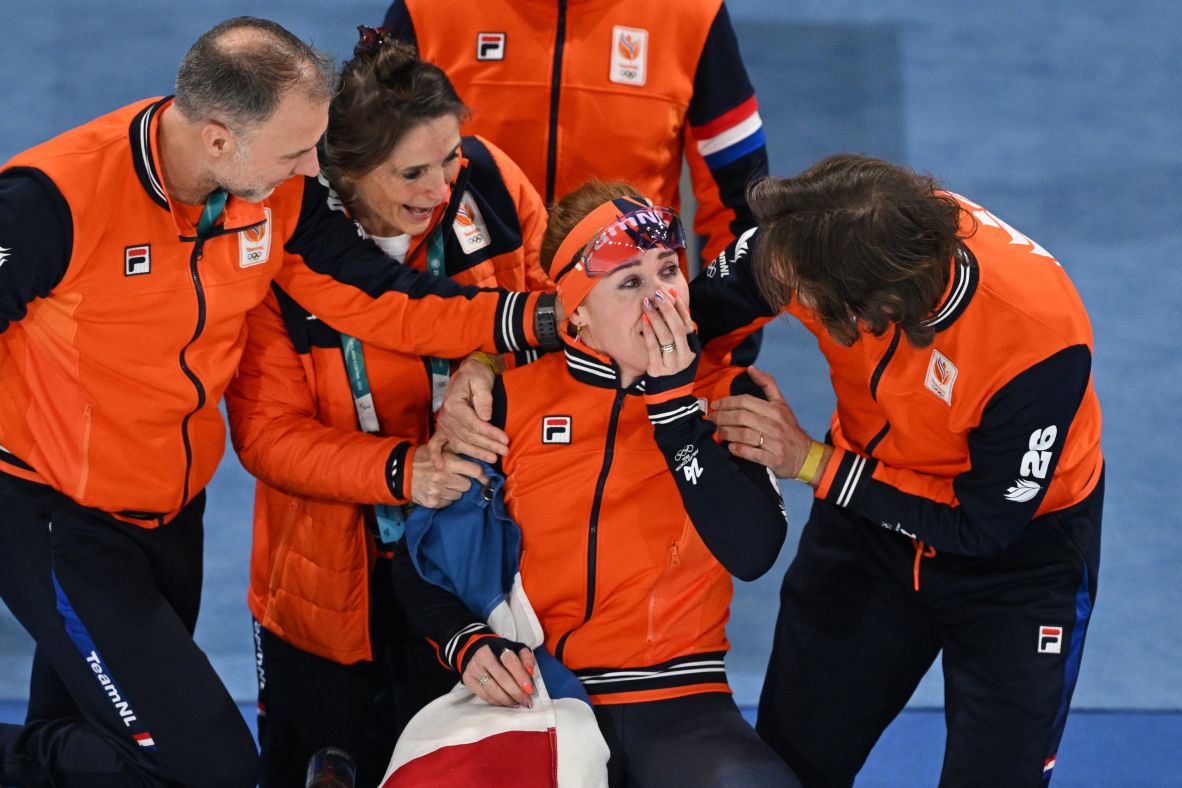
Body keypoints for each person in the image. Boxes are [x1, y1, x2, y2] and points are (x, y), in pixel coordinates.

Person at [0, 17, 560, 786]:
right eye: (297, 151)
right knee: (209, 771)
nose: (312, 169)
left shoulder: (276, 197)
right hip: (55, 514)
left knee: (91, 731)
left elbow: (384, 298)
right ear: (220, 138)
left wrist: (536, 321)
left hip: (170, 513)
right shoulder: (53, 200)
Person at [693, 154, 1104, 786]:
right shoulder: (809, 239)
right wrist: (723, 397)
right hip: (865, 523)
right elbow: (692, 328)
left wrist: (808, 461)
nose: (782, 289)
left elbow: (983, 525)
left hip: (1020, 559)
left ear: (871, 313)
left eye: (802, 296)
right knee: (792, 763)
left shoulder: (1038, 340)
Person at [223, 28, 552, 788]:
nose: (440, 188)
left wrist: (484, 363)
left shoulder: (491, 185)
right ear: (345, 172)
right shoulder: (279, 243)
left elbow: (549, 319)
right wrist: (406, 471)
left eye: (449, 159)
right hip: (328, 590)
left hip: (473, 570)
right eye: (411, 172)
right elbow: (269, 436)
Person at [392, 181, 801, 787]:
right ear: (575, 310)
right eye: (629, 282)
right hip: (534, 697)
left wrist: (673, 412)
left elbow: (754, 553)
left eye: (668, 270)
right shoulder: (505, 402)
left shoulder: (727, 394)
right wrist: (467, 642)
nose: (661, 297)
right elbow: (423, 559)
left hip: (681, 702)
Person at [380, 0, 768, 268]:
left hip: (635, 335)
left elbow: (741, 203)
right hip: (465, 331)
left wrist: (718, 349)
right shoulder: (425, 8)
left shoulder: (693, 12)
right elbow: (368, 187)